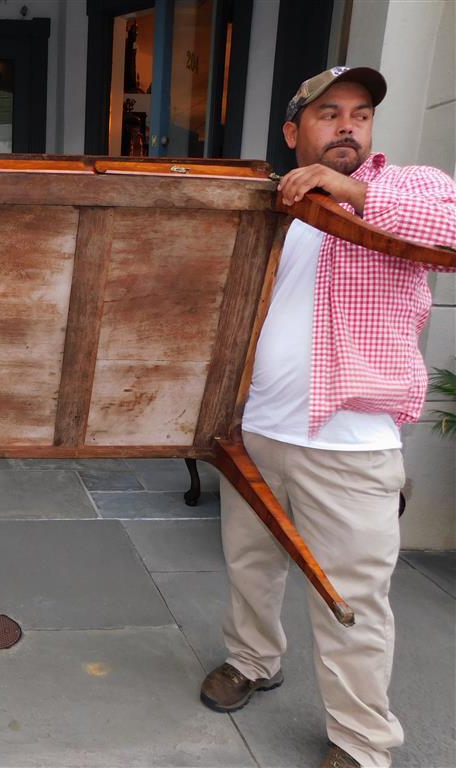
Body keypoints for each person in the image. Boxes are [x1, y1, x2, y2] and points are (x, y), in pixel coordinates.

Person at [199, 66, 456, 768]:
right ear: (294, 131)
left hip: (349, 444)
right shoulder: (271, 206)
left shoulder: (404, 191)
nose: (348, 126)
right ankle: (254, 661)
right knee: (251, 569)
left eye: (361, 114)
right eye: (328, 113)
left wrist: (354, 192)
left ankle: (361, 742)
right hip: (256, 431)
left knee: (352, 600)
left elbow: (452, 226)